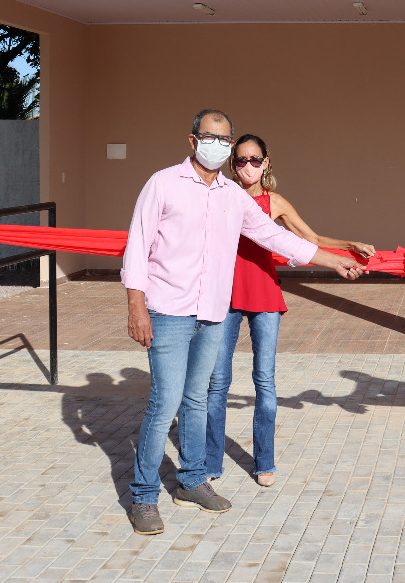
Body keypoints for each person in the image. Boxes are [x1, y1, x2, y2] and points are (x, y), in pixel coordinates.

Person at [121, 109, 364, 537]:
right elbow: (137, 247)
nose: (217, 144)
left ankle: (193, 481)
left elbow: (277, 238)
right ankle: (143, 496)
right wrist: (136, 307)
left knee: (197, 398)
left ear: (230, 145)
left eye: (224, 139)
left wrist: (333, 261)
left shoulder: (234, 196)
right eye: (209, 137)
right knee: (165, 405)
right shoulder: (162, 184)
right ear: (193, 141)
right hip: (169, 311)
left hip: (214, 312)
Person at [205, 133, 376, 488]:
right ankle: (210, 462)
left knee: (264, 381)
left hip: (264, 295)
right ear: (233, 165)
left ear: (266, 163)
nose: (248, 166)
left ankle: (263, 462)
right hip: (225, 295)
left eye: (255, 160)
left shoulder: (276, 202)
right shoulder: (222, 195)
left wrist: (349, 245)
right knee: (217, 383)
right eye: (241, 160)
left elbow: (310, 240)